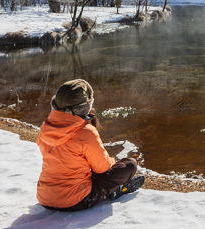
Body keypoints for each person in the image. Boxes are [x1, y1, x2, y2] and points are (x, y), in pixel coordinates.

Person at [36, 79, 143, 211]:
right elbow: (103, 168)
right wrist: (112, 163)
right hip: (74, 201)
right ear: (85, 107)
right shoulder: (85, 131)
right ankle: (114, 191)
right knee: (130, 165)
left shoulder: (46, 128)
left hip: (44, 197)